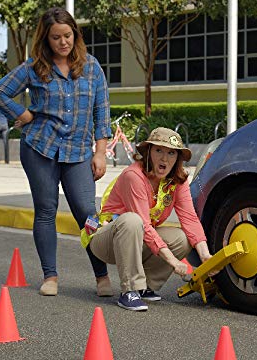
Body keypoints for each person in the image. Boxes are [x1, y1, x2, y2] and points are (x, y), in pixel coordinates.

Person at [0, 7, 112, 297]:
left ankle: (102, 277)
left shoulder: (92, 67)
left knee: (87, 213)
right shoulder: (35, 67)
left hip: (79, 152)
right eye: (56, 37)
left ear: (75, 34)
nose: (63, 42)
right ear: (46, 39)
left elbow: (101, 111)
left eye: (67, 35)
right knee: (46, 211)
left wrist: (100, 152)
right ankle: (50, 276)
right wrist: (24, 114)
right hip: (40, 148)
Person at [86, 127, 215, 311]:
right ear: (148, 152)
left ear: (178, 157)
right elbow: (143, 224)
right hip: (107, 239)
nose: (164, 158)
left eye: (171, 153)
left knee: (183, 238)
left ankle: (146, 286)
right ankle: (129, 290)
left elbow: (190, 219)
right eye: (159, 151)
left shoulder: (178, 180)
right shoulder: (134, 176)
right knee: (132, 220)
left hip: (139, 238)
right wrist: (173, 261)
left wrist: (205, 256)